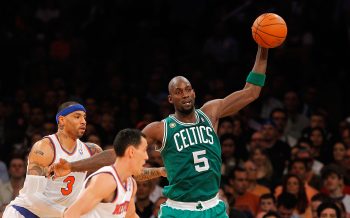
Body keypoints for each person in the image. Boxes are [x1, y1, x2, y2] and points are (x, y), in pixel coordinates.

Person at [52, 45, 269, 217]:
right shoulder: (160, 129)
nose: (184, 94)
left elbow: (251, 92)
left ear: (193, 92)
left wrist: (263, 47)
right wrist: (72, 165)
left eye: (187, 89)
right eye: (178, 91)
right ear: (170, 98)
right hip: (179, 210)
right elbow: (117, 155)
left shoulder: (211, 113)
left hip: (214, 207)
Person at [63, 128, 148, 217]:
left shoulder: (131, 183)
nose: (146, 157)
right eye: (144, 150)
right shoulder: (106, 179)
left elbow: (130, 215)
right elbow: (71, 214)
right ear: (131, 152)